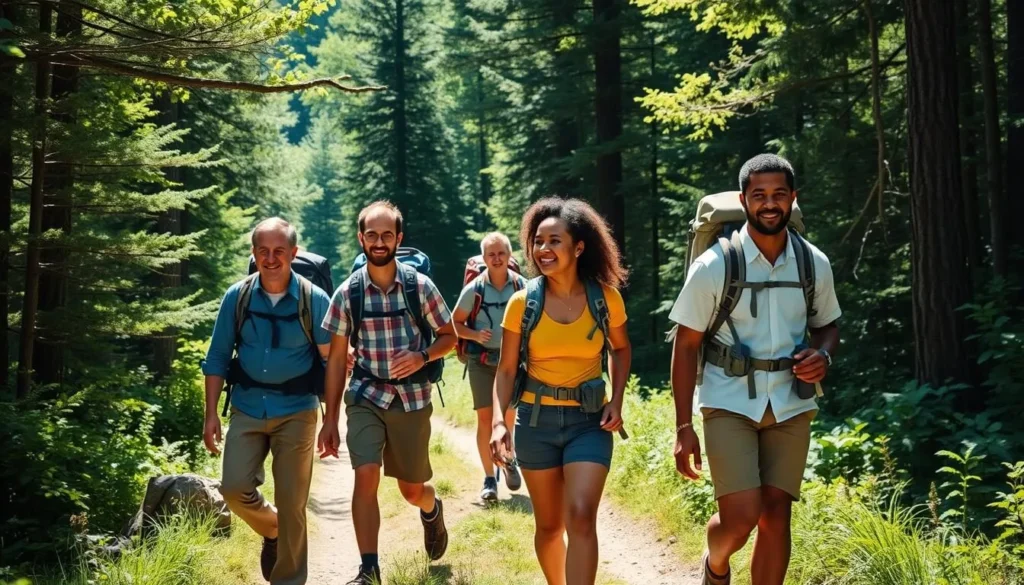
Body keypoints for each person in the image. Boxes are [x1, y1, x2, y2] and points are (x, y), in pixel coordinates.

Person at [668, 154, 842, 585]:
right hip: (729, 400)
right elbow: (687, 345)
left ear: (792, 199)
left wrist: (823, 356)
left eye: (779, 195)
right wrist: (683, 426)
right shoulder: (714, 265)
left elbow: (828, 326)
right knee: (742, 515)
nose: (769, 204)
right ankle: (716, 564)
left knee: (777, 513)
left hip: (791, 402)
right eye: (759, 195)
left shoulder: (813, 262)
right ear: (744, 200)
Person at [490, 197, 632, 585]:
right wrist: (498, 425)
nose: (543, 249)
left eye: (555, 241)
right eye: (538, 241)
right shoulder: (523, 303)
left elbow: (620, 348)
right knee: (549, 528)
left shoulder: (605, 298)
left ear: (578, 247)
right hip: (535, 423)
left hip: (589, 423)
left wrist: (616, 400)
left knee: (582, 515)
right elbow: (504, 371)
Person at [317, 200, 458, 585]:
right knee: (366, 476)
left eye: (387, 235)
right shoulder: (348, 294)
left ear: (399, 238)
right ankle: (369, 569)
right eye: (372, 235)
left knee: (412, 490)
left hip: (411, 399)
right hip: (365, 395)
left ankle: (431, 510)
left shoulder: (419, 286)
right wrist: (329, 420)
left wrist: (421, 356)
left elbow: (450, 337)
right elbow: (335, 361)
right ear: (361, 239)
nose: (379, 242)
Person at [201, 217, 332, 585]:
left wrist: (333, 417)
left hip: (297, 412)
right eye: (263, 251)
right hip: (247, 407)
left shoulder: (314, 299)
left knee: (294, 504)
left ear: (293, 252)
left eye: (279, 251)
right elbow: (217, 358)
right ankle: (273, 529)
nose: (271, 259)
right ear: (254, 253)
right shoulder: (237, 296)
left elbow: (332, 362)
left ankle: (288, 579)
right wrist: (210, 414)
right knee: (232, 488)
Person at [452, 232, 525, 501]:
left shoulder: (523, 287)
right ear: (484, 259)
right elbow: (454, 324)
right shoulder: (474, 290)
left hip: (513, 362)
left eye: (501, 253)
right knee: (485, 420)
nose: (496, 258)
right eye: (491, 254)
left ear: (509, 256)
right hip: (481, 362)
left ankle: (508, 462)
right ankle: (488, 478)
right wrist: (473, 335)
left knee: (508, 419)